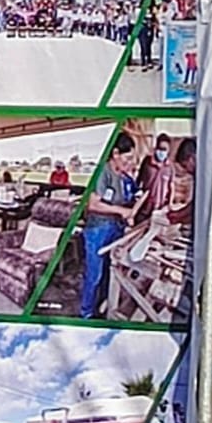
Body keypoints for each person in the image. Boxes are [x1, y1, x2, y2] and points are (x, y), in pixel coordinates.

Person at [80, 133, 137, 318]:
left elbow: (124, 200)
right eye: (127, 158)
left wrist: (130, 210)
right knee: (94, 275)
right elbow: (93, 204)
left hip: (115, 228)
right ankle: (86, 314)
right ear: (115, 153)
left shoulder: (122, 176)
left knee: (109, 272)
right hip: (98, 229)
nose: (129, 162)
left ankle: (103, 307)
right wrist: (121, 211)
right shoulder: (103, 172)